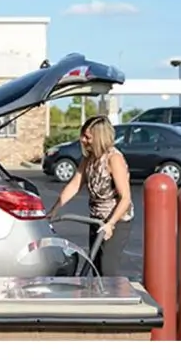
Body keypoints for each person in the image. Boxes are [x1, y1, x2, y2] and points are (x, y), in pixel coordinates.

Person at [48, 115, 134, 277]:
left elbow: (125, 198)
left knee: (107, 269)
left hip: (117, 221)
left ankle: (112, 299)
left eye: (87, 137)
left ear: (100, 137)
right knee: (94, 265)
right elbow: (75, 184)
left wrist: (111, 224)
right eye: (83, 135)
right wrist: (55, 209)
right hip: (96, 220)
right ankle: (99, 298)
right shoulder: (89, 158)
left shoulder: (114, 159)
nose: (82, 140)